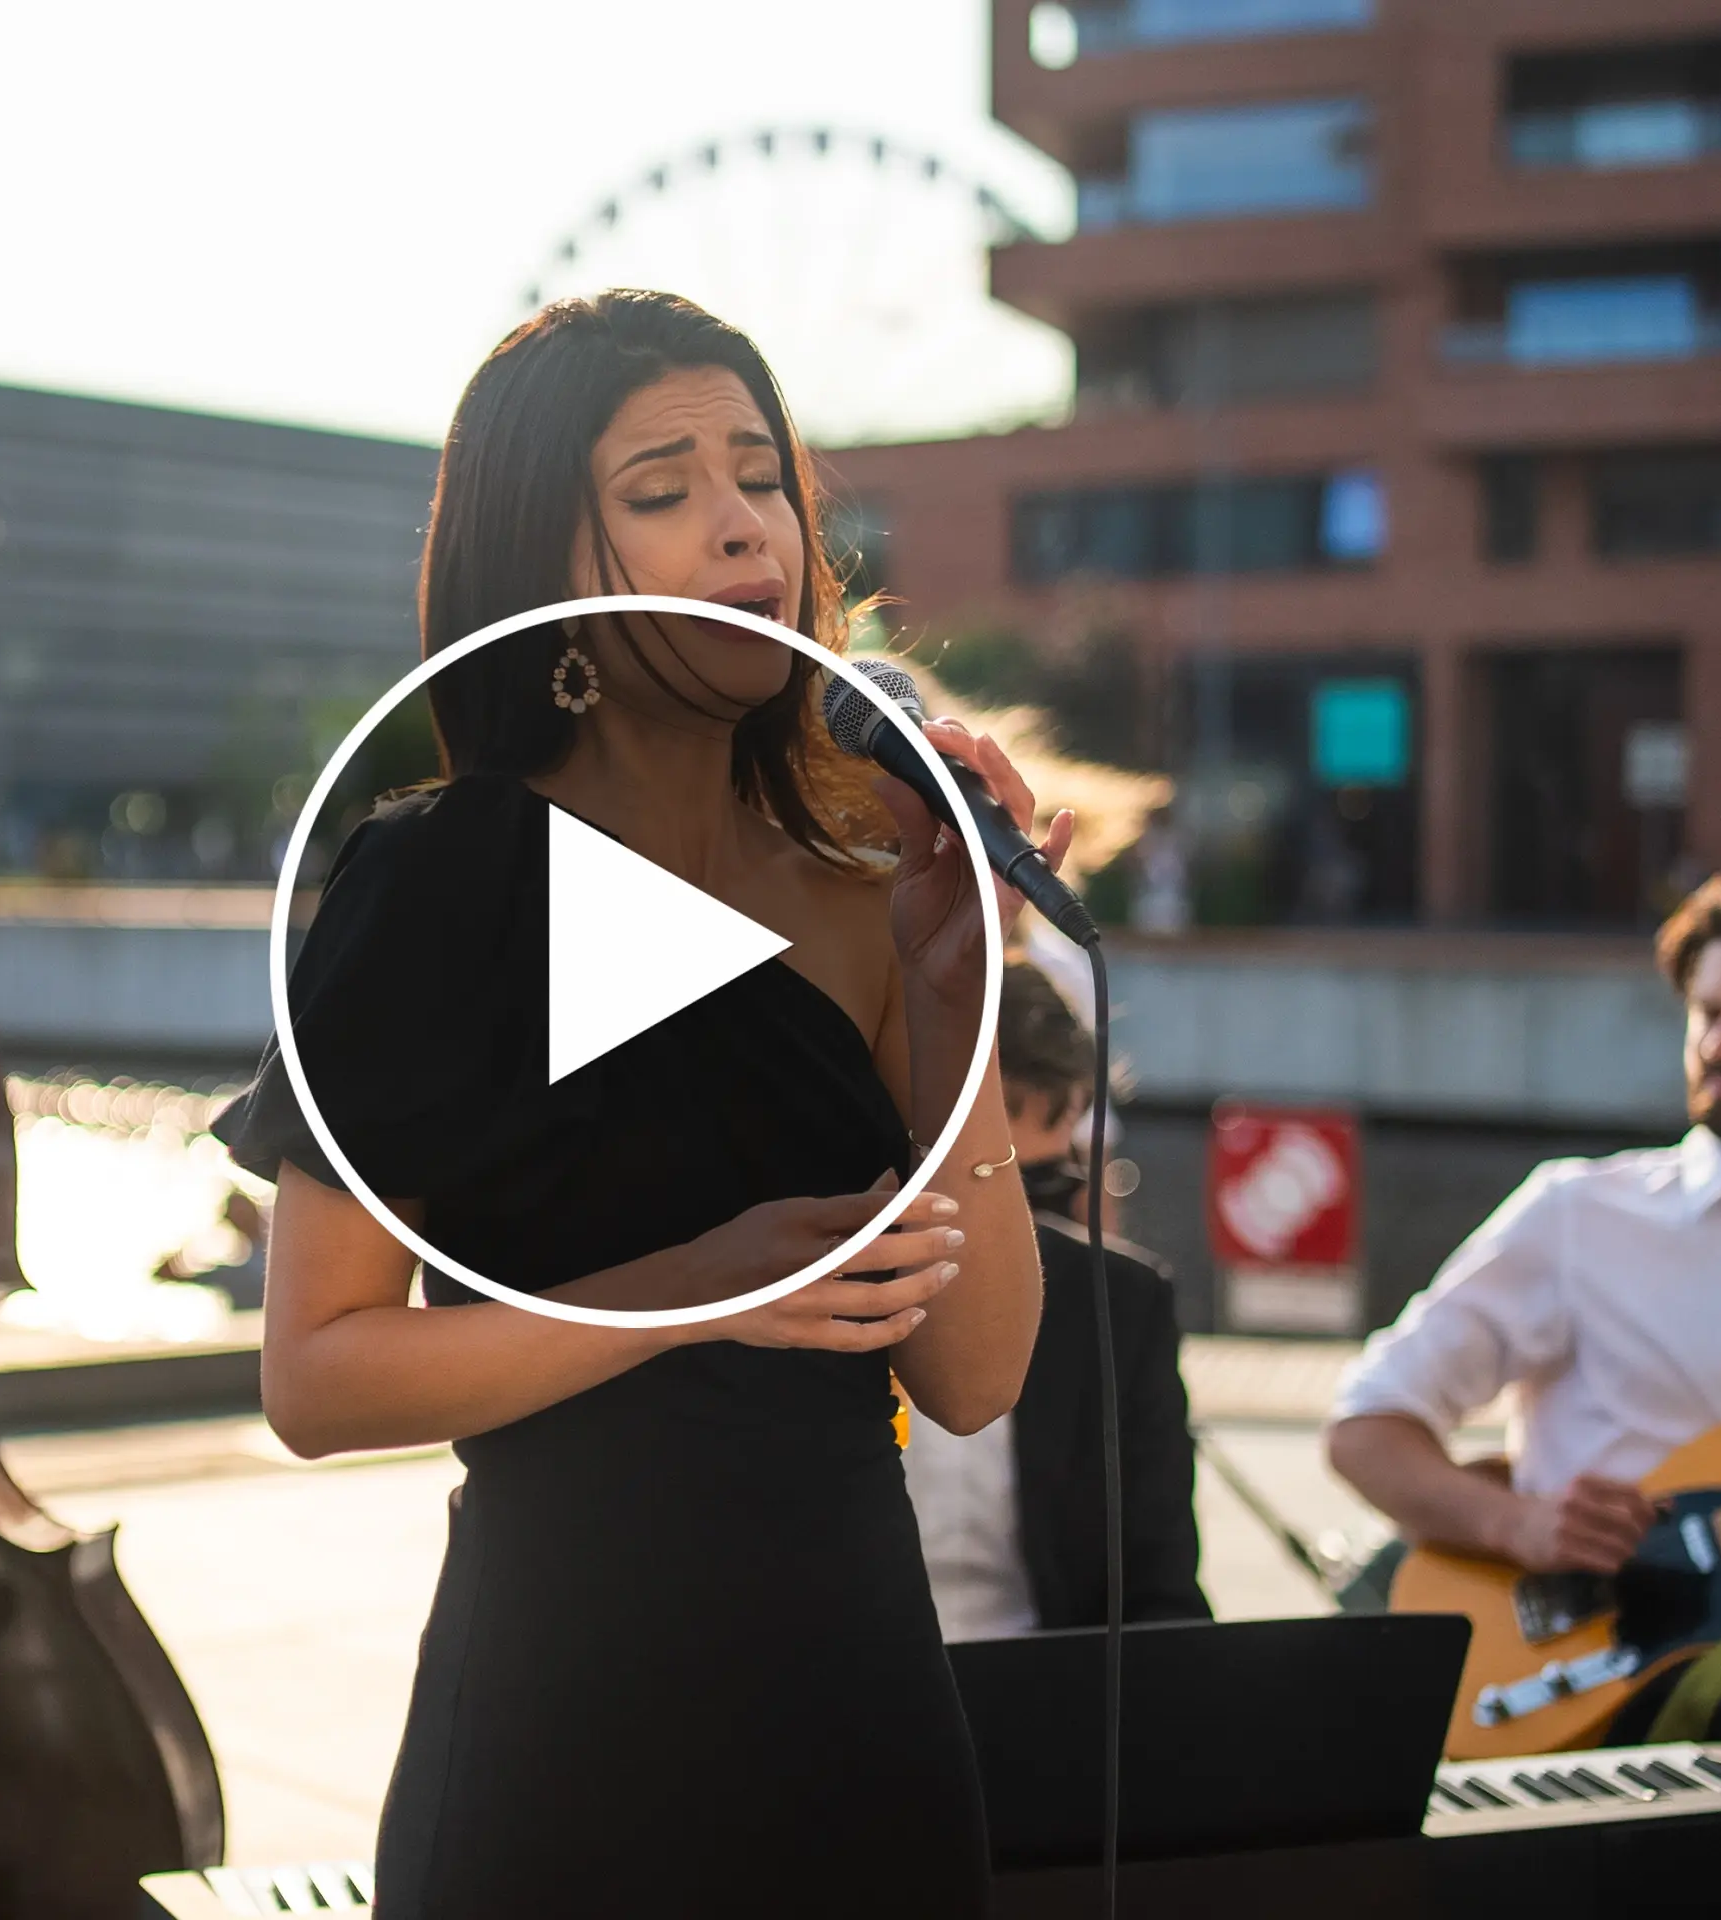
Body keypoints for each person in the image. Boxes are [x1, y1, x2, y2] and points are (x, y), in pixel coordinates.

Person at [213, 290, 1068, 1918]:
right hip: (567, 1745)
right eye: (664, 491)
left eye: (762, 478)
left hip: (866, 1737)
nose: (743, 526)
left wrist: (960, 970)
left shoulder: (869, 882)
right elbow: (317, 1376)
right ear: (545, 568)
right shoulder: (438, 886)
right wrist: (692, 1295)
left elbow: (976, 1370)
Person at [1327, 866, 1721, 1813]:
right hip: (1615, 1681)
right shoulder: (1580, 1214)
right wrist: (1520, 1524)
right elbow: (1365, 1426)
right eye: (1707, 1013)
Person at [903, 962, 1208, 1640]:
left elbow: (1161, 1599)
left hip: (1043, 1709)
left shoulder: (1120, 1305)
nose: (1002, 1224)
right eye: (957, 1179)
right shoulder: (801, 1280)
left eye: (1039, 1187)